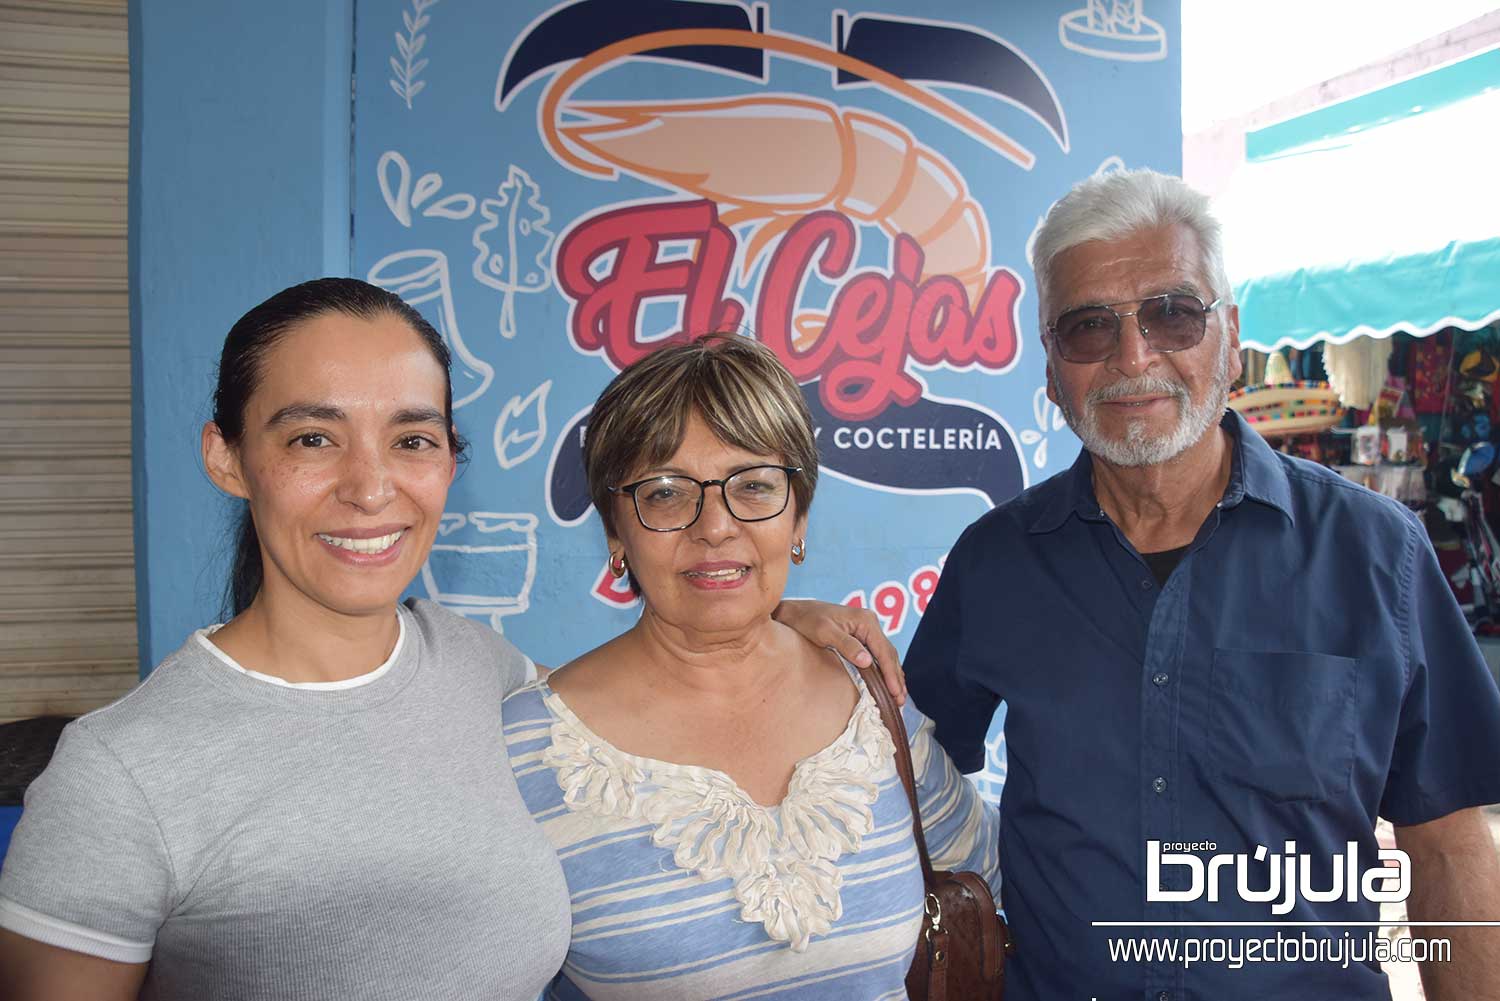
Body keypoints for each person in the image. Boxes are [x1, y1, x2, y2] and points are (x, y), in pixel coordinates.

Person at [0, 279, 906, 1001]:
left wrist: (769, 617)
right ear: (226, 457)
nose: (369, 488)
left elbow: (668, 688)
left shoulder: (483, 672)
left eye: (411, 439)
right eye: (313, 437)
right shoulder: (119, 774)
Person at [905, 168, 1500, 1000]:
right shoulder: (995, 563)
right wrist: (781, 636)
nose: (1133, 356)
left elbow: (1446, 845)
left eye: (1173, 314)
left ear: (1231, 337)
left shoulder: (1374, 553)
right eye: (1088, 327)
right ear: (1050, 367)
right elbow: (903, 772)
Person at [502, 334, 1001, 999]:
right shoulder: (525, 751)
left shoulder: (871, 700)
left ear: (798, 517)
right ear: (616, 530)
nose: (714, 526)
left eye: (754, 485)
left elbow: (994, 867)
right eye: (666, 492)